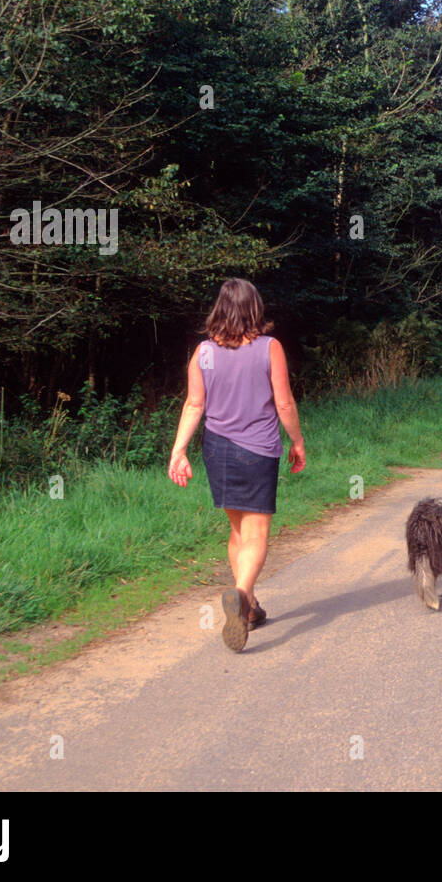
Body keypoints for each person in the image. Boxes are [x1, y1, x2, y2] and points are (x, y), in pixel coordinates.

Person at [168, 278, 306, 653]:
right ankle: (242, 594)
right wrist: (297, 440)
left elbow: (194, 404)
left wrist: (178, 450)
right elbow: (284, 404)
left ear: (220, 309)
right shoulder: (269, 348)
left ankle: (250, 608)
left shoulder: (203, 353)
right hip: (258, 449)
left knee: (237, 531)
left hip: (218, 450)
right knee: (257, 533)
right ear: (254, 309)